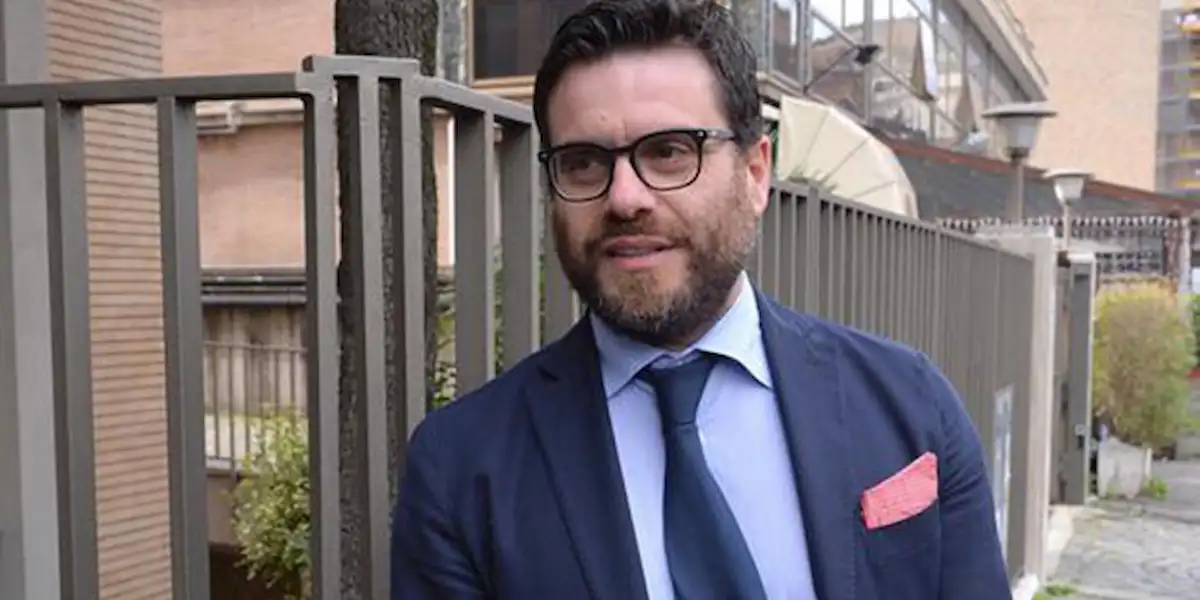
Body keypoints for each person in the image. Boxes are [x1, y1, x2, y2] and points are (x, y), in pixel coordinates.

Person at [390, 1, 1011, 598]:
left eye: (669, 152)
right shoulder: (462, 469)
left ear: (756, 173)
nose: (624, 197)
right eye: (583, 162)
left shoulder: (909, 404)